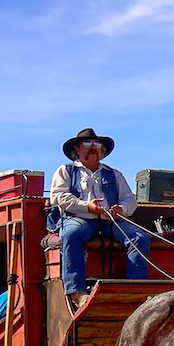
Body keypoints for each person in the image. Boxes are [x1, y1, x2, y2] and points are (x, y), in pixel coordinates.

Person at [49, 128, 151, 308]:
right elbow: (58, 197)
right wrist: (87, 207)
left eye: (97, 144)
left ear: (102, 151)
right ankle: (76, 292)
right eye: (87, 144)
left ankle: (136, 290)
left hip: (111, 221)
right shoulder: (65, 171)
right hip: (79, 219)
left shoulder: (114, 174)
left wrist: (122, 209)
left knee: (139, 238)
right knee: (70, 234)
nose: (93, 147)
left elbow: (130, 199)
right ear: (77, 149)